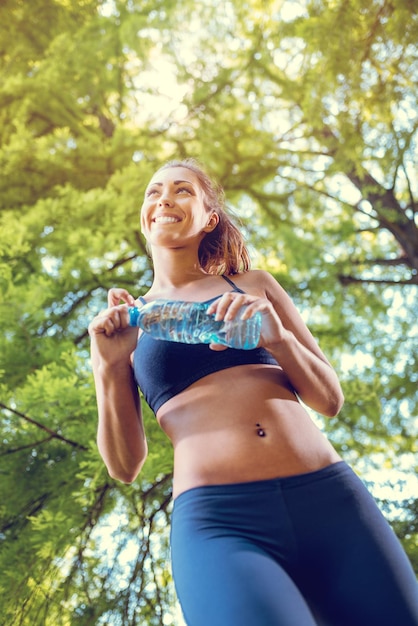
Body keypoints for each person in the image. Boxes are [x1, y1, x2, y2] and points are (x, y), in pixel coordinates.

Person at [88, 158, 418, 626]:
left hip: (333, 504)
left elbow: (329, 400)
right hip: (222, 524)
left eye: (182, 190)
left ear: (209, 218)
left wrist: (277, 337)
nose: (164, 198)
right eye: (153, 192)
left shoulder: (253, 286)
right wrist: (108, 363)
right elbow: (125, 466)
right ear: (145, 218)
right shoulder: (127, 323)